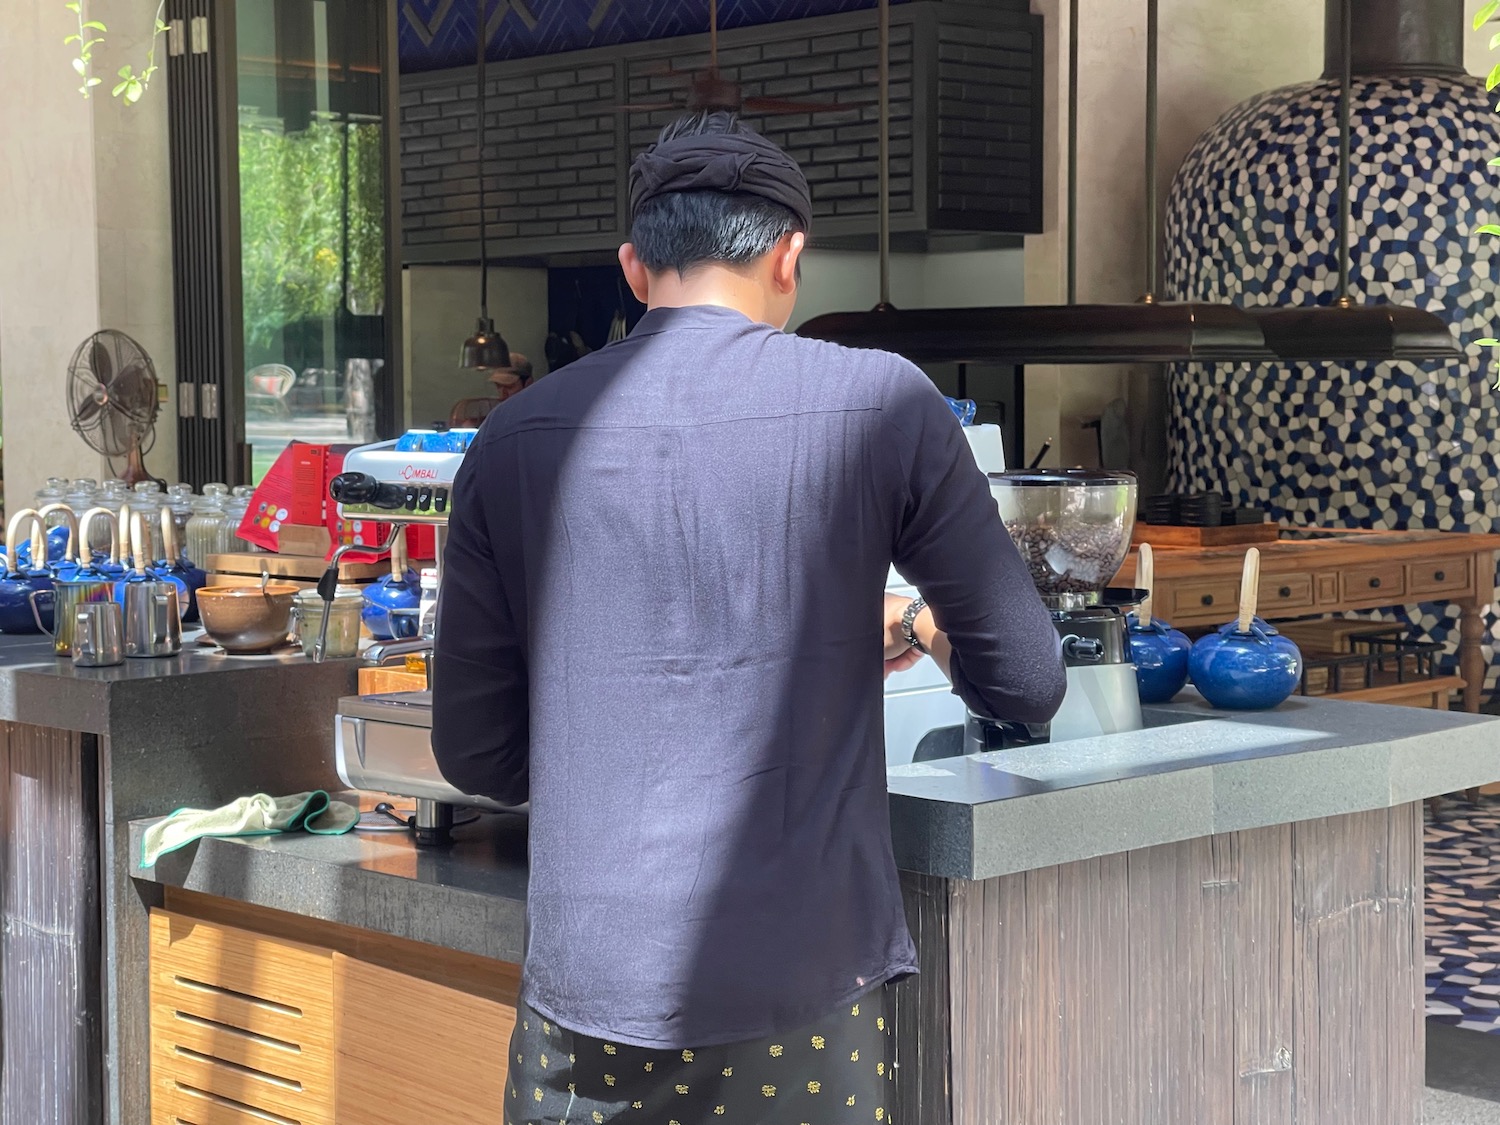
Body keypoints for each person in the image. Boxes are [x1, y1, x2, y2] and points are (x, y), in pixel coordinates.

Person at [431, 111, 1066, 1125]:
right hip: (797, 991)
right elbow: (1026, 681)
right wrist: (912, 625)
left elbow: (479, 756)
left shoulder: (511, 439)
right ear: (790, 257)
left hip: (586, 995)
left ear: (635, 271)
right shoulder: (883, 405)